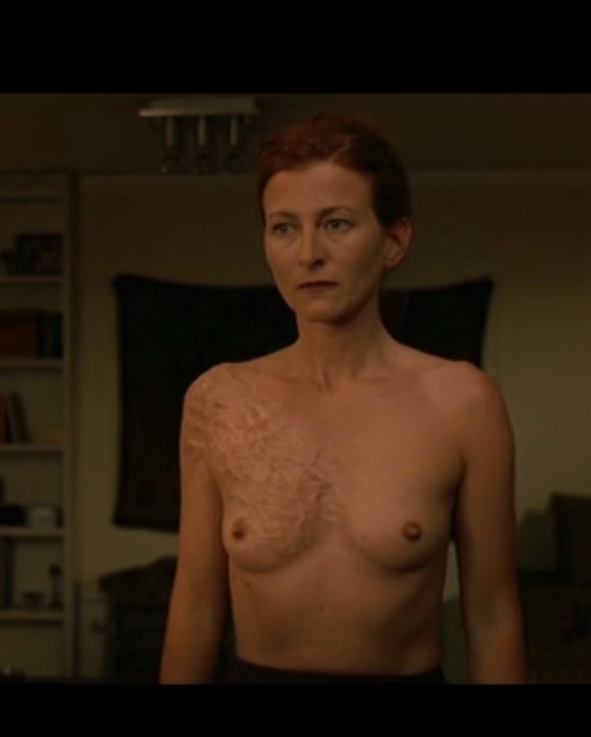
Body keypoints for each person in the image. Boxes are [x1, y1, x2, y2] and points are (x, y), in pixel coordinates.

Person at [159, 112, 526, 684]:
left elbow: (493, 619)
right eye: (284, 228)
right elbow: (197, 610)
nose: (308, 253)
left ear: (394, 241)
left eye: (336, 224)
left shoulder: (462, 402)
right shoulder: (218, 400)